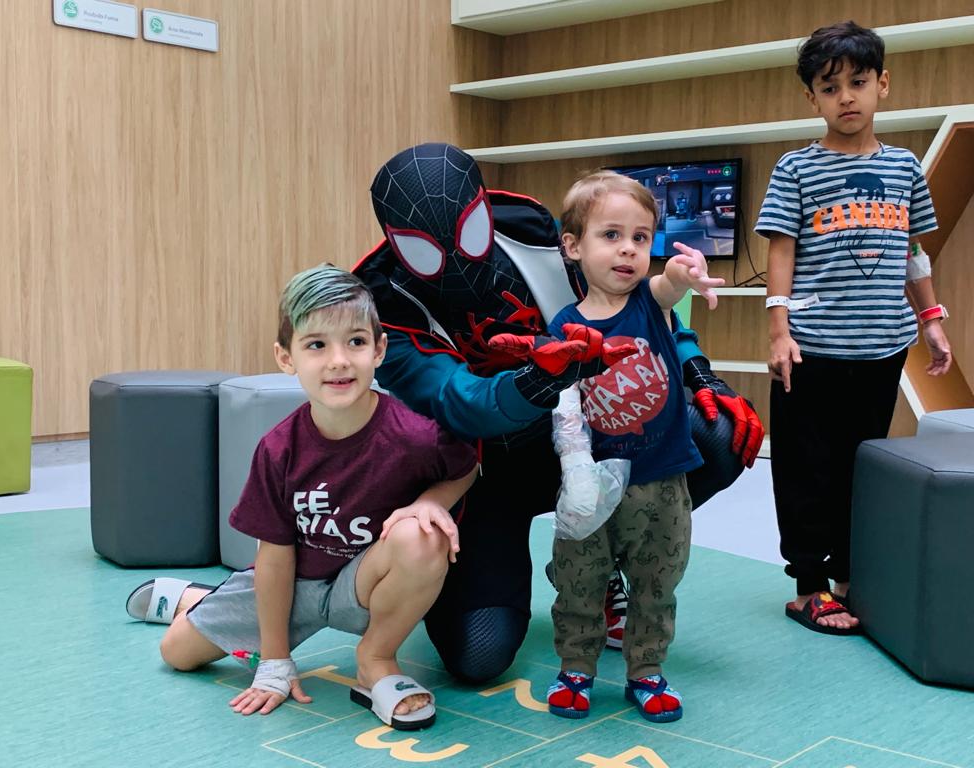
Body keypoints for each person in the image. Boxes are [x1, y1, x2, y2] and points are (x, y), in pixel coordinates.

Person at [352, 143, 763, 682]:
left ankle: (601, 558)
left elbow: (633, 303)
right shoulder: (384, 304)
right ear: (394, 239)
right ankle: (531, 569)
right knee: (478, 657)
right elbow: (458, 403)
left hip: (593, 442)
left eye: (468, 233)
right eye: (425, 248)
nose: (455, 258)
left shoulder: (531, 233)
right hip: (478, 476)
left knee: (718, 434)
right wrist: (539, 380)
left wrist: (698, 370)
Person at [126, 265, 478, 727]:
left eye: (355, 341)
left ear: (379, 350)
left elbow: (466, 468)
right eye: (316, 345)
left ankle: (376, 660)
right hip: (293, 585)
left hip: (363, 584)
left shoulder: (415, 435)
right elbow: (274, 557)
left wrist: (431, 501)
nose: (338, 361)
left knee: (424, 536)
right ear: (286, 357)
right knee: (177, 653)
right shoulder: (278, 449)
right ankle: (195, 599)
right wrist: (274, 661)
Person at [755, 21, 952, 635]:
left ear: (882, 86)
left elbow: (913, 249)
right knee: (806, 466)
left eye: (858, 82)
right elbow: (781, 249)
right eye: (830, 86)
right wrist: (778, 329)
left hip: (881, 347)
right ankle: (809, 586)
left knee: (861, 466)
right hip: (813, 348)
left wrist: (931, 320)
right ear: (811, 98)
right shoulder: (796, 169)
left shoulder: (904, 168)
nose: (846, 96)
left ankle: (850, 577)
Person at [531, 171, 722, 722]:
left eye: (640, 238)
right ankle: (576, 668)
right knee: (581, 581)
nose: (628, 250)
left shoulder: (649, 302)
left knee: (658, 582)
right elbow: (565, 411)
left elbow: (672, 285)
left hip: (662, 480)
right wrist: (575, 476)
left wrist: (684, 272)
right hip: (594, 489)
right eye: (611, 235)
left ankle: (647, 670)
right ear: (573, 246)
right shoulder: (565, 327)